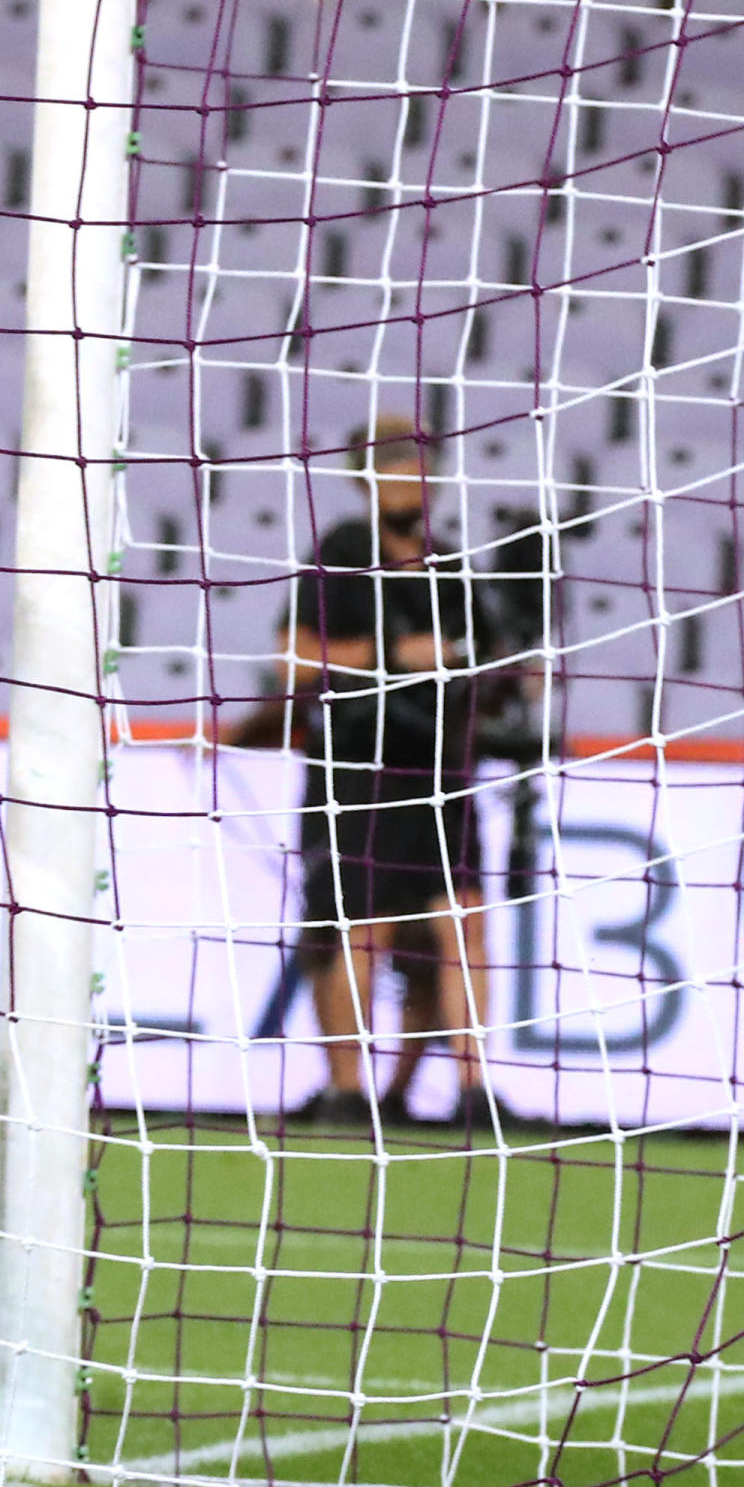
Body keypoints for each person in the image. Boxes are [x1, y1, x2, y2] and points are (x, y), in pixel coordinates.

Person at [278, 416, 518, 1132]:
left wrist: (508, 677)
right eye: (395, 464)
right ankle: (346, 1091)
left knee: (460, 920)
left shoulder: (450, 566)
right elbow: (294, 658)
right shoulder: (344, 553)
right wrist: (394, 654)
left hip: (440, 767)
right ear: (367, 477)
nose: (414, 475)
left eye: (422, 463)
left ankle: (458, 1086)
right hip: (358, 765)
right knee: (361, 926)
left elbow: (477, 657)